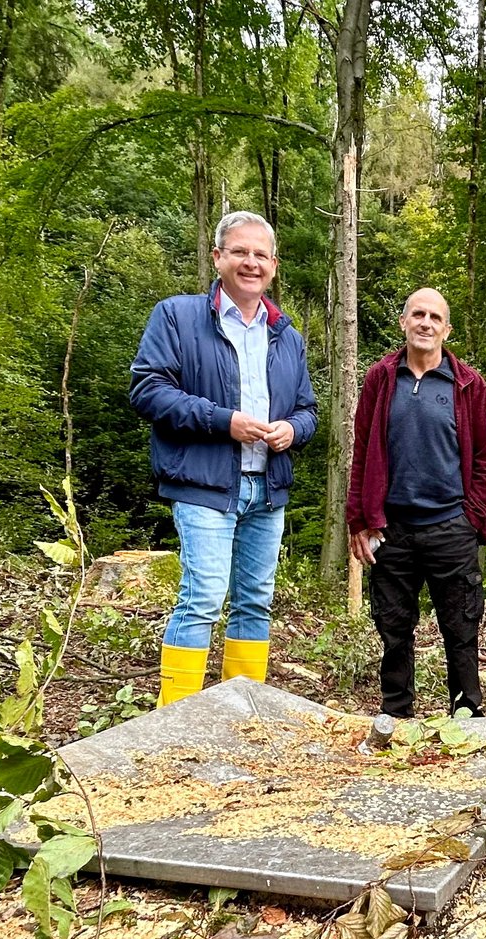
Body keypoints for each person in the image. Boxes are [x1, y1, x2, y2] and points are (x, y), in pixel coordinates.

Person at [130, 210, 317, 707]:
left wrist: (291, 430)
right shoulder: (177, 316)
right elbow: (148, 390)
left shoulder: (287, 335)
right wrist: (223, 421)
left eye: (261, 254)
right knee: (203, 601)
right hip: (205, 484)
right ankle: (175, 718)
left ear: (273, 265)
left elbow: (308, 411)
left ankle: (243, 713)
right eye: (240, 251)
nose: (250, 263)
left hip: (267, 487)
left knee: (255, 603)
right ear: (218, 258)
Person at [346, 289, 486, 719]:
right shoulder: (380, 379)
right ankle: (396, 715)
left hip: (451, 526)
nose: (426, 323)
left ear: (446, 329)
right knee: (393, 627)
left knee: (460, 627)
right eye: (418, 314)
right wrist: (359, 519)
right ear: (404, 322)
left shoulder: (468, 384)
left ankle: (466, 715)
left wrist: (470, 517)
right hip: (391, 528)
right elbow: (363, 451)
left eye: (435, 317)